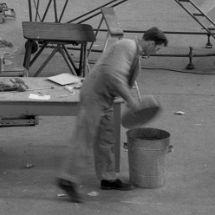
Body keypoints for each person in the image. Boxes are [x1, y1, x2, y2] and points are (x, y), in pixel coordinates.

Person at [56, 26, 169, 202]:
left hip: (107, 97)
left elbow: (120, 78)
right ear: (152, 43)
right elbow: (113, 75)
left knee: (107, 138)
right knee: (84, 137)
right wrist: (132, 102)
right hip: (94, 95)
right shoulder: (127, 46)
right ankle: (67, 179)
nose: (155, 52)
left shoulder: (134, 54)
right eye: (157, 48)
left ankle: (108, 179)